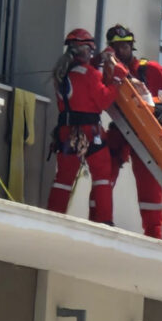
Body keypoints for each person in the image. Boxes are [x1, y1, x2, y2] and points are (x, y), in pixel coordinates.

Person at [98, 24, 162, 238]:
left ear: (131, 46)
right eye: (117, 47)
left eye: (125, 46)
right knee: (105, 169)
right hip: (122, 126)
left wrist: (157, 100)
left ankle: (154, 233)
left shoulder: (149, 69)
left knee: (149, 181)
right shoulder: (110, 70)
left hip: (147, 131)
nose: (121, 51)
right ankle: (100, 218)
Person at [47, 28, 128, 225]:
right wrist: (117, 80)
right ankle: (105, 220)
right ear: (84, 50)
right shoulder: (90, 74)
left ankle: (52, 217)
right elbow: (103, 101)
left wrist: (99, 59)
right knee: (102, 175)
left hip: (66, 133)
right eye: (90, 51)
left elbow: (80, 85)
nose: (91, 54)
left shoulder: (61, 74)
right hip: (89, 132)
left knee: (63, 178)